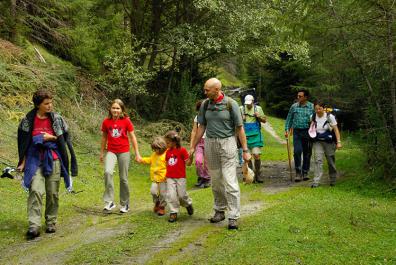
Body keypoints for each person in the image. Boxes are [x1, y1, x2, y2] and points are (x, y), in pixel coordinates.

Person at [190, 78, 251, 230]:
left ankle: (233, 216)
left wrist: (245, 150)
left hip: (227, 143)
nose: (204, 92)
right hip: (210, 143)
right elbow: (202, 126)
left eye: (207, 90)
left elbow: (239, 128)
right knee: (216, 181)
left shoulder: (231, 104)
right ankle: (219, 210)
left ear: (217, 90)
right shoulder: (205, 104)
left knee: (230, 180)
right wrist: (192, 147)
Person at [17, 89, 78, 240]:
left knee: (52, 192)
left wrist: (51, 138)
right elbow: (23, 143)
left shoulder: (57, 119)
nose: (50, 105)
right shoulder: (27, 120)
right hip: (34, 159)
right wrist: (22, 162)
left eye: (51, 102)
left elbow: (65, 140)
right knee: (36, 190)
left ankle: (51, 221)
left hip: (54, 158)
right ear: (38, 105)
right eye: (46, 103)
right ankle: (34, 225)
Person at [100, 99, 141, 213]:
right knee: (108, 172)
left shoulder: (126, 121)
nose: (115, 110)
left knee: (123, 179)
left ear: (122, 110)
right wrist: (102, 153)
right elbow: (104, 138)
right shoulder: (106, 122)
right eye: (113, 108)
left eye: (118, 108)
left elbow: (133, 137)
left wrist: (137, 153)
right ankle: (109, 202)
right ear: (110, 109)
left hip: (124, 151)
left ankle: (125, 203)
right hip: (111, 151)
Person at [310, 101, 342, 187]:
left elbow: (336, 130)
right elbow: (311, 128)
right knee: (318, 160)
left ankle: (333, 179)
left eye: (319, 108)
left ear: (323, 108)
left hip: (329, 141)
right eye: (316, 109)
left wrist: (338, 142)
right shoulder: (312, 116)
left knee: (330, 161)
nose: (317, 110)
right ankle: (316, 181)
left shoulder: (329, 117)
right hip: (317, 141)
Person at [284, 89, 315, 182]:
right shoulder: (294, 106)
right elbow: (289, 118)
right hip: (297, 132)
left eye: (300, 96)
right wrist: (286, 129)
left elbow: (316, 119)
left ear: (306, 97)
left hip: (308, 132)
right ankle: (298, 172)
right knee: (297, 152)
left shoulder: (311, 106)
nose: (298, 97)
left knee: (307, 153)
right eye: (297, 96)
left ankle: (305, 172)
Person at [164, 130, 194, 223]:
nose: (166, 144)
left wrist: (191, 156)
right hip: (170, 177)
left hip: (180, 177)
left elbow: (188, 163)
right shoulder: (168, 152)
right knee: (171, 195)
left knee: (181, 195)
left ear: (174, 142)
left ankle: (188, 204)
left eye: (168, 142)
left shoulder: (182, 150)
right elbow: (167, 164)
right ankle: (174, 212)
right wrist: (165, 176)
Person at [240, 94, 267, 183]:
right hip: (245, 137)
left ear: (253, 101)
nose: (248, 105)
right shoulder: (241, 109)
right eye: (246, 103)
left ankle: (258, 174)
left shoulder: (258, 109)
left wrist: (258, 116)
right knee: (247, 158)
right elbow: (236, 123)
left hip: (255, 136)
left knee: (256, 155)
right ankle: (251, 176)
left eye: (249, 103)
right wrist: (241, 119)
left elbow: (264, 120)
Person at [139, 137, 168, 215]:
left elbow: (170, 166)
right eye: (154, 149)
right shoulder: (154, 155)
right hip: (155, 179)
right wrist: (141, 159)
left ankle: (162, 207)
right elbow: (149, 160)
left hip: (163, 179)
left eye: (156, 149)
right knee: (153, 192)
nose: (155, 151)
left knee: (163, 194)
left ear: (161, 148)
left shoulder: (166, 155)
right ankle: (157, 203)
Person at [190, 100, 210, 188]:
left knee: (207, 163)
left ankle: (207, 179)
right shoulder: (197, 117)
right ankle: (201, 177)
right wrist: (192, 145)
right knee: (198, 161)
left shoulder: (210, 117)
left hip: (209, 141)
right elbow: (194, 131)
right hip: (199, 141)